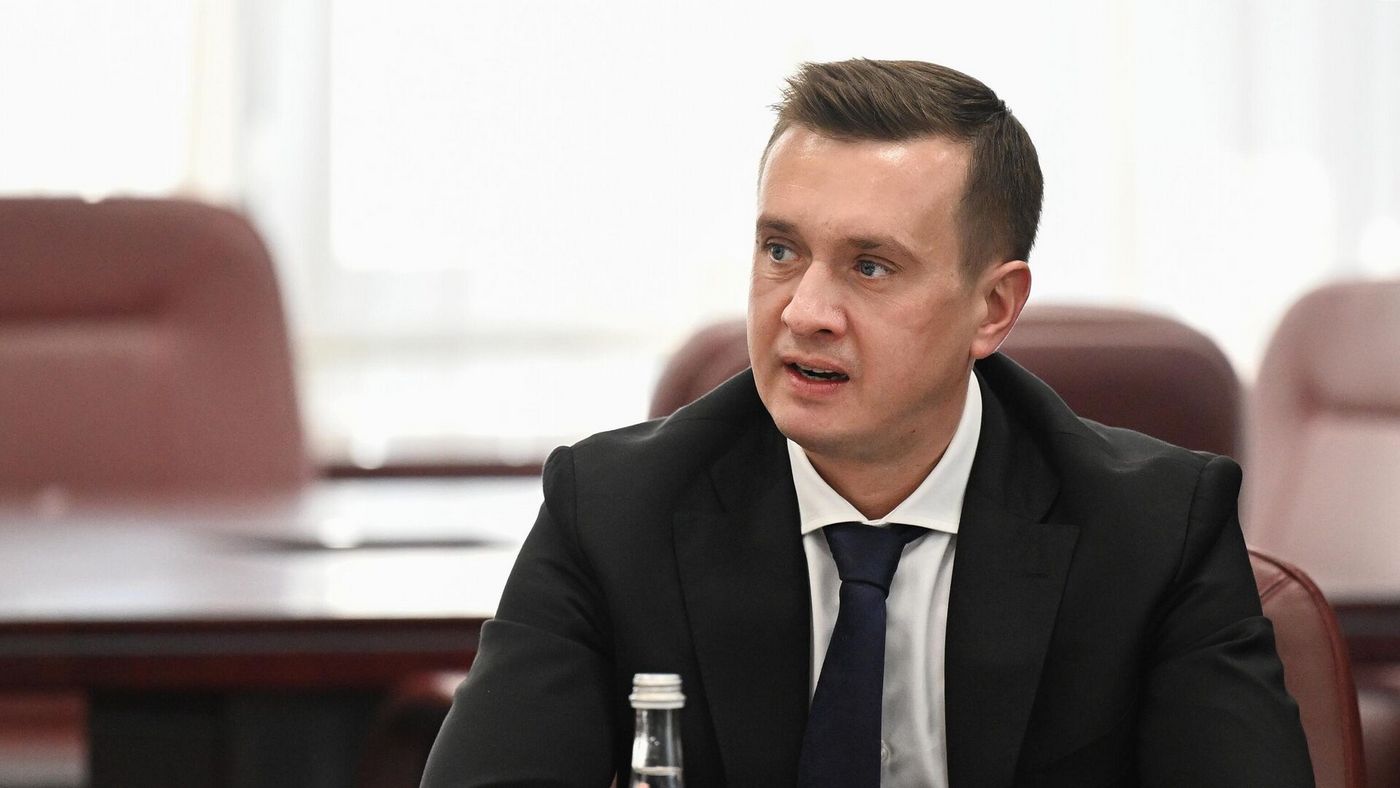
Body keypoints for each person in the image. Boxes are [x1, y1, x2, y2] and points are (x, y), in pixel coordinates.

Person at [422, 59, 1313, 787]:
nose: (804, 311)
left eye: (870, 267)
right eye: (781, 250)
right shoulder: (615, 510)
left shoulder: (1154, 532)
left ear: (994, 308)